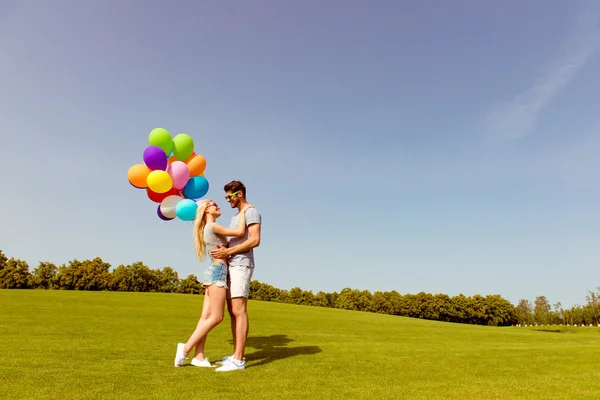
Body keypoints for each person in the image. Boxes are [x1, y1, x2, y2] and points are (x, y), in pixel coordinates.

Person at [173, 199, 253, 368]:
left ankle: (199, 357)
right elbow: (239, 232)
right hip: (218, 272)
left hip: (213, 271)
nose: (217, 205)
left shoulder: (208, 228)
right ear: (206, 211)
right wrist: (245, 210)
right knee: (217, 317)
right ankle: (185, 349)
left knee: (205, 317)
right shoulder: (213, 226)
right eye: (213, 204)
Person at [210, 180, 262, 372]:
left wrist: (228, 252)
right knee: (233, 310)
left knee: (239, 310)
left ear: (239, 194)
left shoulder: (251, 212)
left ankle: (239, 360)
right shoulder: (236, 216)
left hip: (241, 265)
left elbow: (255, 240)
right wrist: (224, 250)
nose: (227, 200)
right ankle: (235, 355)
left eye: (229, 196)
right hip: (231, 264)